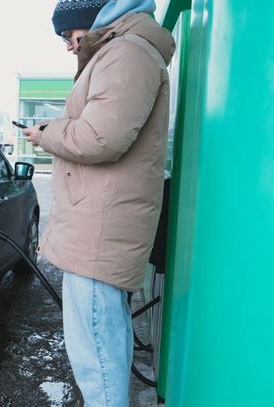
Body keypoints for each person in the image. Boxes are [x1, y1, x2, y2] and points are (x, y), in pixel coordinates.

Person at [22, 1, 175, 406]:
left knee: (96, 351)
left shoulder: (126, 52)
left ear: (90, 21)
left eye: (68, 35)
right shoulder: (124, 50)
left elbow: (100, 138)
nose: (68, 47)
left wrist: (46, 132)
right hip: (100, 224)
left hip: (99, 228)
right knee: (105, 338)